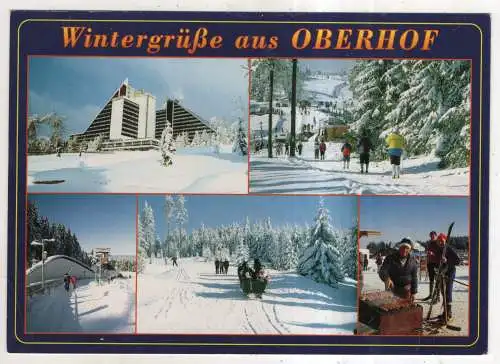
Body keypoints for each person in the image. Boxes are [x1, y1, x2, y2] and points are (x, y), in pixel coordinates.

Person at [434, 232, 461, 321]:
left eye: (442, 241)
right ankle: (445, 312)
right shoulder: (438, 249)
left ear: (445, 240)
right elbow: (439, 261)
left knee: (448, 292)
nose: (440, 242)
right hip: (442, 273)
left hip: (450, 273)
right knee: (443, 292)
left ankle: (448, 313)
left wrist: (447, 260)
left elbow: (458, 261)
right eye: (439, 241)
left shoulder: (448, 248)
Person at [422, 231, 440, 302]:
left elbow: (440, 254)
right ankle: (430, 295)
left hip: (436, 264)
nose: (432, 237)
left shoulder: (438, 243)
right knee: (431, 280)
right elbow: (428, 251)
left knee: (437, 280)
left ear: (436, 236)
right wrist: (428, 253)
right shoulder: (429, 243)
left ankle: (437, 297)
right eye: (431, 236)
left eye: (433, 236)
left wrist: (433, 254)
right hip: (430, 263)